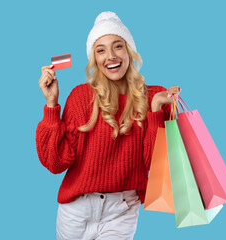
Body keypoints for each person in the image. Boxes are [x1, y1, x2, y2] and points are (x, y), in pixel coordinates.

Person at [36, 11, 181, 240]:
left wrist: (154, 111)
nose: (110, 56)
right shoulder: (81, 96)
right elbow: (55, 163)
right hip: (77, 210)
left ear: (129, 50)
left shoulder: (154, 96)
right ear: (94, 59)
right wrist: (52, 104)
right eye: (101, 50)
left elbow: (156, 166)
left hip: (121, 211)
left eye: (118, 46)